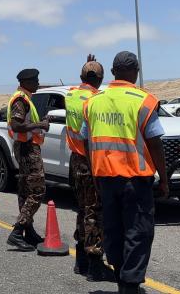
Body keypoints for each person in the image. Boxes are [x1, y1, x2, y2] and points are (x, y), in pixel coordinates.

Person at [82, 51, 169, 294]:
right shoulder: (143, 100)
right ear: (135, 71)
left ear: (112, 72)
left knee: (113, 229)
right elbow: (154, 143)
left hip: (106, 179)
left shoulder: (93, 102)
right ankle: (129, 285)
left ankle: (121, 276)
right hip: (135, 179)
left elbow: (87, 143)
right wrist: (163, 178)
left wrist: (95, 174)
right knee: (138, 231)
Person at [65, 55, 114, 281]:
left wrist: (87, 65)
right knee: (95, 211)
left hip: (75, 160)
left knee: (83, 209)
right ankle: (95, 263)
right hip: (91, 160)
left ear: (82, 76)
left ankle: (81, 262)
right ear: (101, 78)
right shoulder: (96, 99)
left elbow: (85, 80)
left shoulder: (71, 94)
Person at [6, 68, 50, 251]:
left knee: (25, 190)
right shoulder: (20, 100)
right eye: (35, 80)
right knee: (38, 190)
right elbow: (17, 125)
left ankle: (28, 231)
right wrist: (41, 124)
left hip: (26, 147)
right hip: (27, 148)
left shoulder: (25, 98)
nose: (38, 83)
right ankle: (17, 232)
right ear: (27, 82)